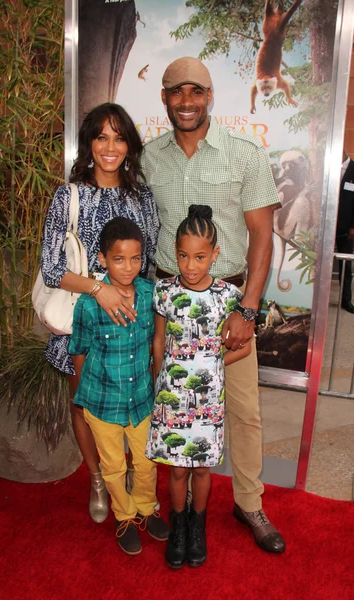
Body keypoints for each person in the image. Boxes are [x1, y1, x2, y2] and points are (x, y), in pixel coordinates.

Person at [141, 56, 286, 553]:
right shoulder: (148, 157)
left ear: (209, 96)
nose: (186, 100)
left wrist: (247, 310)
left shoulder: (244, 154)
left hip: (227, 306)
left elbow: (262, 238)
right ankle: (152, 501)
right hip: (167, 304)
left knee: (243, 411)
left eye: (196, 91)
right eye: (176, 91)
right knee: (161, 404)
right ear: (164, 97)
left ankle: (249, 502)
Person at [40, 103, 159, 524]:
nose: (111, 147)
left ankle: (128, 475)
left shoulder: (143, 197)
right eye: (102, 137)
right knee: (85, 403)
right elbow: (51, 268)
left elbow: (146, 263)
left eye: (119, 137)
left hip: (130, 322)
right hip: (84, 314)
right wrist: (99, 288)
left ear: (130, 145)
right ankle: (97, 477)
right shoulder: (69, 195)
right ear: (90, 143)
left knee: (130, 402)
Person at [146, 204, 250, 568]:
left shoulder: (227, 297)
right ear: (174, 254)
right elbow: (159, 342)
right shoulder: (164, 291)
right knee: (176, 469)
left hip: (209, 399)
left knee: (202, 468)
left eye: (200, 257)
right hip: (172, 396)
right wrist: (161, 383)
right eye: (183, 256)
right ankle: (178, 524)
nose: (190, 266)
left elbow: (245, 345)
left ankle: (198, 525)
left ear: (215, 255)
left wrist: (213, 363)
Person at [68, 216, 168, 555]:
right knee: (113, 466)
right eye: (119, 259)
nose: (128, 267)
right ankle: (124, 515)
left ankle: (146, 507)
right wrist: (84, 394)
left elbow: (156, 342)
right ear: (102, 259)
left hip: (141, 399)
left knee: (146, 462)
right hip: (102, 401)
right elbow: (79, 350)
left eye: (136, 258)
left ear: (144, 258)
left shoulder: (149, 294)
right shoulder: (87, 304)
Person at [336, 151, 354, 314]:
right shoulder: (329, 168)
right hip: (326, 225)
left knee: (345, 263)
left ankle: (346, 300)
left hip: (346, 226)